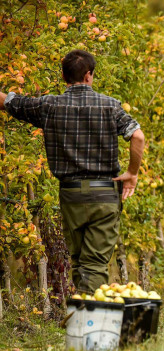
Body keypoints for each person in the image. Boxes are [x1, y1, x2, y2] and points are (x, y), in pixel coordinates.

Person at [0, 50, 145, 294]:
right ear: (88, 75)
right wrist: (132, 173)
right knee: (95, 263)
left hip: (71, 194)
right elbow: (137, 136)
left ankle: (82, 315)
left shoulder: (48, 106)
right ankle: (90, 321)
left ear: (64, 76)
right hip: (103, 195)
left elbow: (8, 101)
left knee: (79, 261)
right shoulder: (110, 106)